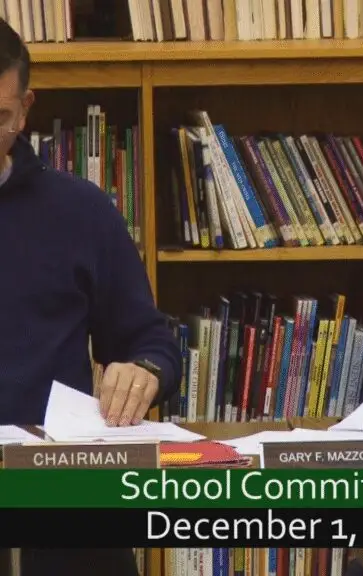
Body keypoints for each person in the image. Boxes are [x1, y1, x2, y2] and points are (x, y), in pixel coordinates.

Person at [0, 19, 179, 576]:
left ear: (25, 110)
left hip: (63, 512)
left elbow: (151, 342)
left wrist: (143, 372)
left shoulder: (80, 210)